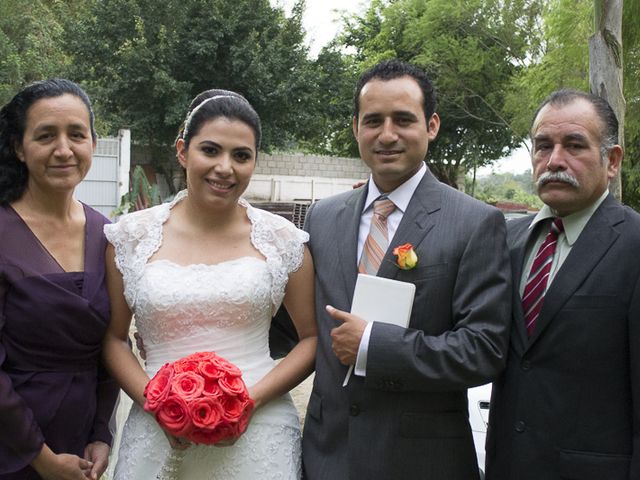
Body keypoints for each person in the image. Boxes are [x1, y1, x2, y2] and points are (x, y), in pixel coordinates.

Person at [300, 59, 512, 480]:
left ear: (431, 125)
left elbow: (483, 349)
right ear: (355, 127)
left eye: (403, 119)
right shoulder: (321, 218)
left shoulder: (475, 223)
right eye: (373, 120)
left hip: (420, 460)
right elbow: (304, 326)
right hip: (328, 454)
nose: (387, 135)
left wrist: (374, 346)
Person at [102, 89, 317, 479]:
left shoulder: (282, 240)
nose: (225, 168)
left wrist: (247, 403)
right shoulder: (131, 236)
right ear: (183, 151)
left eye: (241, 156)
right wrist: (155, 402)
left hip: (259, 429)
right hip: (157, 429)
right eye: (211, 150)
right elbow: (115, 338)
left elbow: (312, 339)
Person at [485, 90, 640, 479]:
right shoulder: (506, 241)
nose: (554, 160)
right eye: (543, 146)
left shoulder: (634, 244)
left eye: (574, 145)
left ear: (613, 161)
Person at [0, 79, 119, 480]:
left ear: (93, 143)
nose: (63, 150)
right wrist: (41, 457)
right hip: (12, 443)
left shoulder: (108, 234)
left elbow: (111, 345)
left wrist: (103, 432)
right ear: (19, 147)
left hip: (82, 444)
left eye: (76, 135)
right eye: (46, 135)